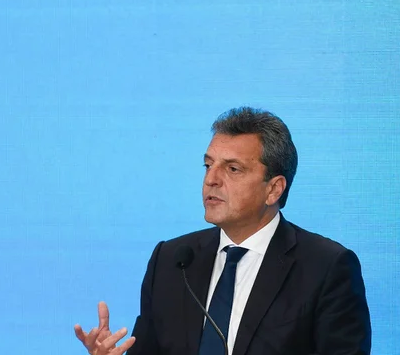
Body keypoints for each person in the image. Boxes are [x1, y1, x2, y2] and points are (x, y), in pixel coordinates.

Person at [74, 107, 371, 355]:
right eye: (208, 165)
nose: (211, 180)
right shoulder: (172, 260)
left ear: (274, 189)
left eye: (232, 169)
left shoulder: (326, 267)